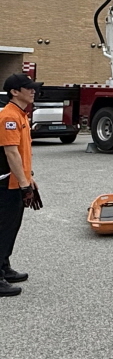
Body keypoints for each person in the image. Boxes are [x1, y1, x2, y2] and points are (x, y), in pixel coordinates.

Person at [0, 73, 43, 298]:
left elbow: (22, 153)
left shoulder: (21, 114)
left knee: (11, 228)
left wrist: (29, 177)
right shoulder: (9, 116)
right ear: (14, 92)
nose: (33, 91)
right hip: (7, 183)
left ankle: (4, 267)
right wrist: (24, 184)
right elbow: (11, 153)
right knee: (3, 228)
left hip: (17, 180)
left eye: (34, 87)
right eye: (29, 88)